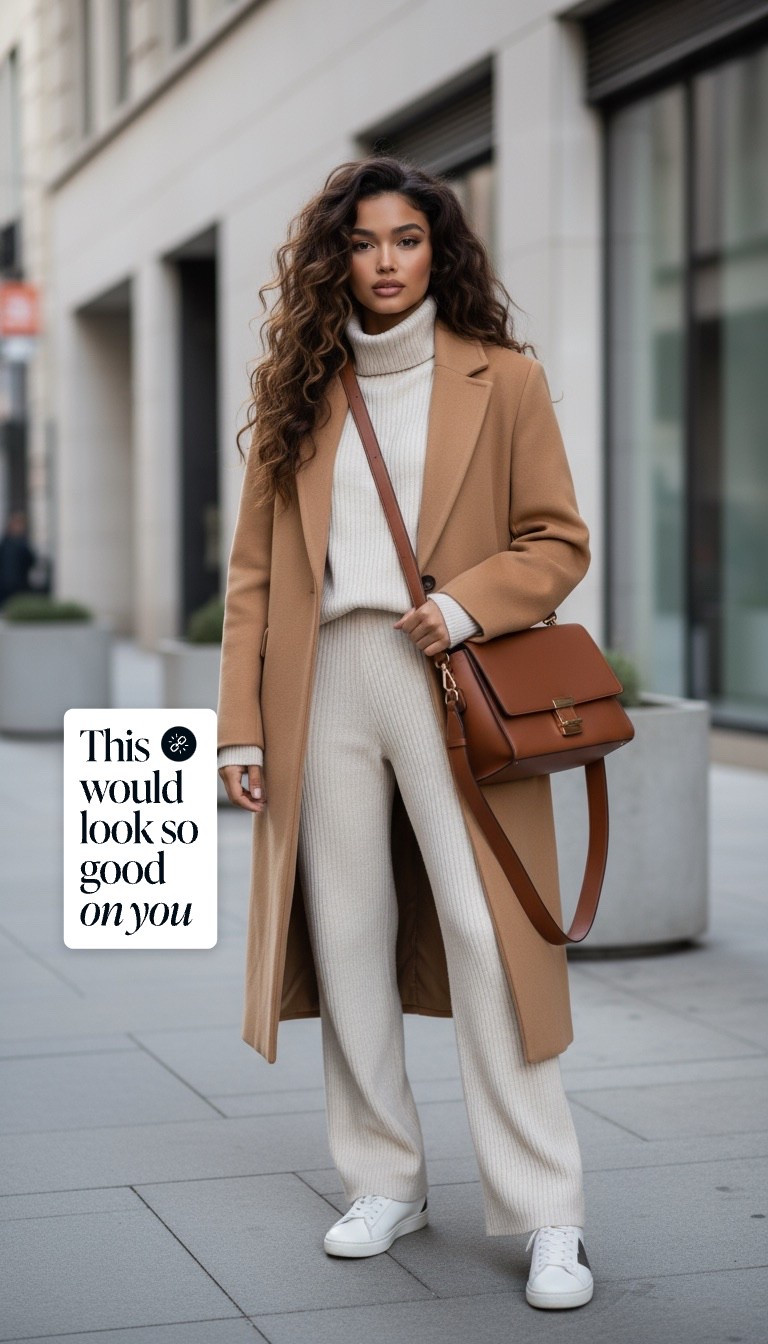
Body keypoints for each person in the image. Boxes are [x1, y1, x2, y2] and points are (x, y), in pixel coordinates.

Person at [217, 155, 594, 1311]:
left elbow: (557, 540)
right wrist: (240, 729)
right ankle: (383, 1179)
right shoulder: (300, 388)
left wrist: (468, 603)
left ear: (441, 251)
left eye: (408, 239)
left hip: (448, 679)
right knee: (347, 934)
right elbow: (253, 578)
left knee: (489, 935)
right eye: (364, 241)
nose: (386, 261)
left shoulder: (504, 378)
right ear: (337, 257)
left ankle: (548, 1211)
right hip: (323, 681)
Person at [0, 509, 36, 608]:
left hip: (20, 585)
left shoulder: (24, 544)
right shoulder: (5, 543)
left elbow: (31, 561)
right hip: (4, 585)